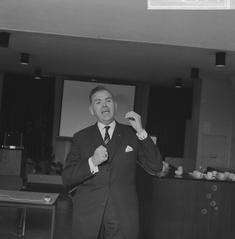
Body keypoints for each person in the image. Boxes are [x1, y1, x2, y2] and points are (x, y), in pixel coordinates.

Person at [62, 85, 162, 239]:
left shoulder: (132, 134)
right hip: (88, 213)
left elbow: (156, 166)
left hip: (122, 213)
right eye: (98, 102)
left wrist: (141, 132)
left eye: (108, 101)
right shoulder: (80, 137)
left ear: (115, 106)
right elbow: (68, 177)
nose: (104, 105)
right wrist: (92, 161)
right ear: (91, 110)